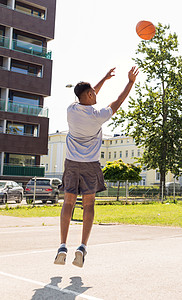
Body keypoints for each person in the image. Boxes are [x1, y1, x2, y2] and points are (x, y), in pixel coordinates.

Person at [54, 66, 139, 267]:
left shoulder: (71, 110)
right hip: (90, 165)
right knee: (89, 205)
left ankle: (62, 246)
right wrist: (130, 82)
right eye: (93, 92)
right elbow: (118, 101)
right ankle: (82, 247)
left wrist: (104, 79)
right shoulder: (98, 115)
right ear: (90, 94)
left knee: (68, 203)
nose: (95, 94)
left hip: (72, 163)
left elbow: (88, 96)